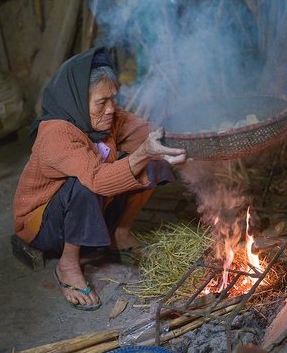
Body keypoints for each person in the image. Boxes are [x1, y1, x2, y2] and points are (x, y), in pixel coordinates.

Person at [13, 47, 186, 311]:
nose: (111, 109)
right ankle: (67, 265)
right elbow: (96, 179)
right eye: (101, 102)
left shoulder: (109, 118)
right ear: (78, 101)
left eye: (114, 99)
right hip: (44, 224)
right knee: (82, 184)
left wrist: (197, 143)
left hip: (89, 208)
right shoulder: (56, 134)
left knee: (154, 159)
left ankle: (120, 234)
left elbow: (151, 134)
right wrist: (142, 154)